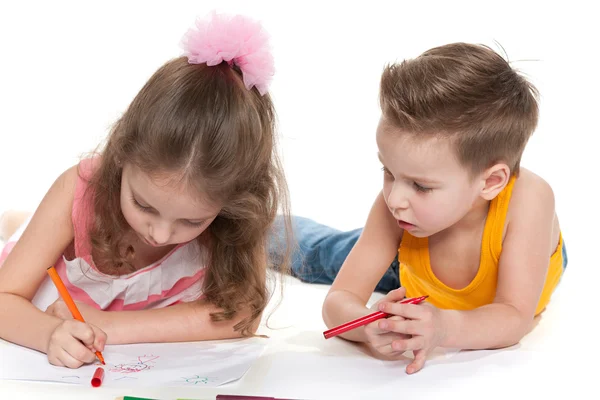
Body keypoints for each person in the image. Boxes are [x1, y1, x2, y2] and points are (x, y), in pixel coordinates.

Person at [0, 12, 291, 369]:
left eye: (191, 221)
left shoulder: (231, 216)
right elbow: (4, 298)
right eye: (144, 205)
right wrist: (47, 334)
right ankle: (19, 223)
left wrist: (110, 326)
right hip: (60, 244)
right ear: (122, 156)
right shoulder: (79, 190)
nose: (161, 234)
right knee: (25, 236)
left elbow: (239, 315)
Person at [280, 42, 566, 374]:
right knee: (317, 253)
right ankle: (257, 226)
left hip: (514, 256)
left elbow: (514, 316)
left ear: (490, 183)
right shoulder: (398, 209)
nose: (394, 199)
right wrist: (369, 326)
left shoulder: (529, 203)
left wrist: (443, 328)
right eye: (388, 172)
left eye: (420, 186)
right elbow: (338, 301)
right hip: (410, 254)